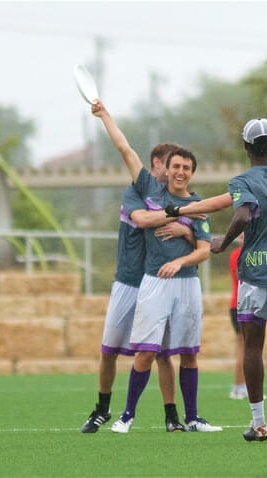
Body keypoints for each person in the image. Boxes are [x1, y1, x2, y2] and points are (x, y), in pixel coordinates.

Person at [170, 118, 267, 442]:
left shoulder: (242, 180)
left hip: (254, 272)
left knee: (252, 346)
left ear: (245, 147)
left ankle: (259, 424)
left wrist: (221, 243)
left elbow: (241, 215)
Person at [91, 100, 221, 433]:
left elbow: (206, 249)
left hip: (188, 282)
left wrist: (184, 244)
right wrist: (105, 114)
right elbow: (125, 149)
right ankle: (126, 415)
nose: (180, 172)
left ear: (192, 172)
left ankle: (191, 418)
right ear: (166, 167)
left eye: (186, 168)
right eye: (175, 166)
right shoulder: (149, 189)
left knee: (188, 353)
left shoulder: (199, 204)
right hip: (152, 282)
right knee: (146, 351)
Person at [80, 143, 196, 433]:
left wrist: (188, 227)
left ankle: (172, 416)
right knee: (108, 350)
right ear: (157, 163)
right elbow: (143, 219)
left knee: (162, 353)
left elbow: (204, 240)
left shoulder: (173, 196)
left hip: (159, 282)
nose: (174, 171)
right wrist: (183, 213)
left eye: (181, 167)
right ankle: (103, 409)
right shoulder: (136, 190)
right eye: (169, 165)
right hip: (128, 282)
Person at [227, 235, 247, 400]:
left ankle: (244, 386)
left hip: (248, 305)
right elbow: (241, 277)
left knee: (250, 348)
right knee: (244, 347)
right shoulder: (237, 254)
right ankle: (238, 387)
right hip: (239, 305)